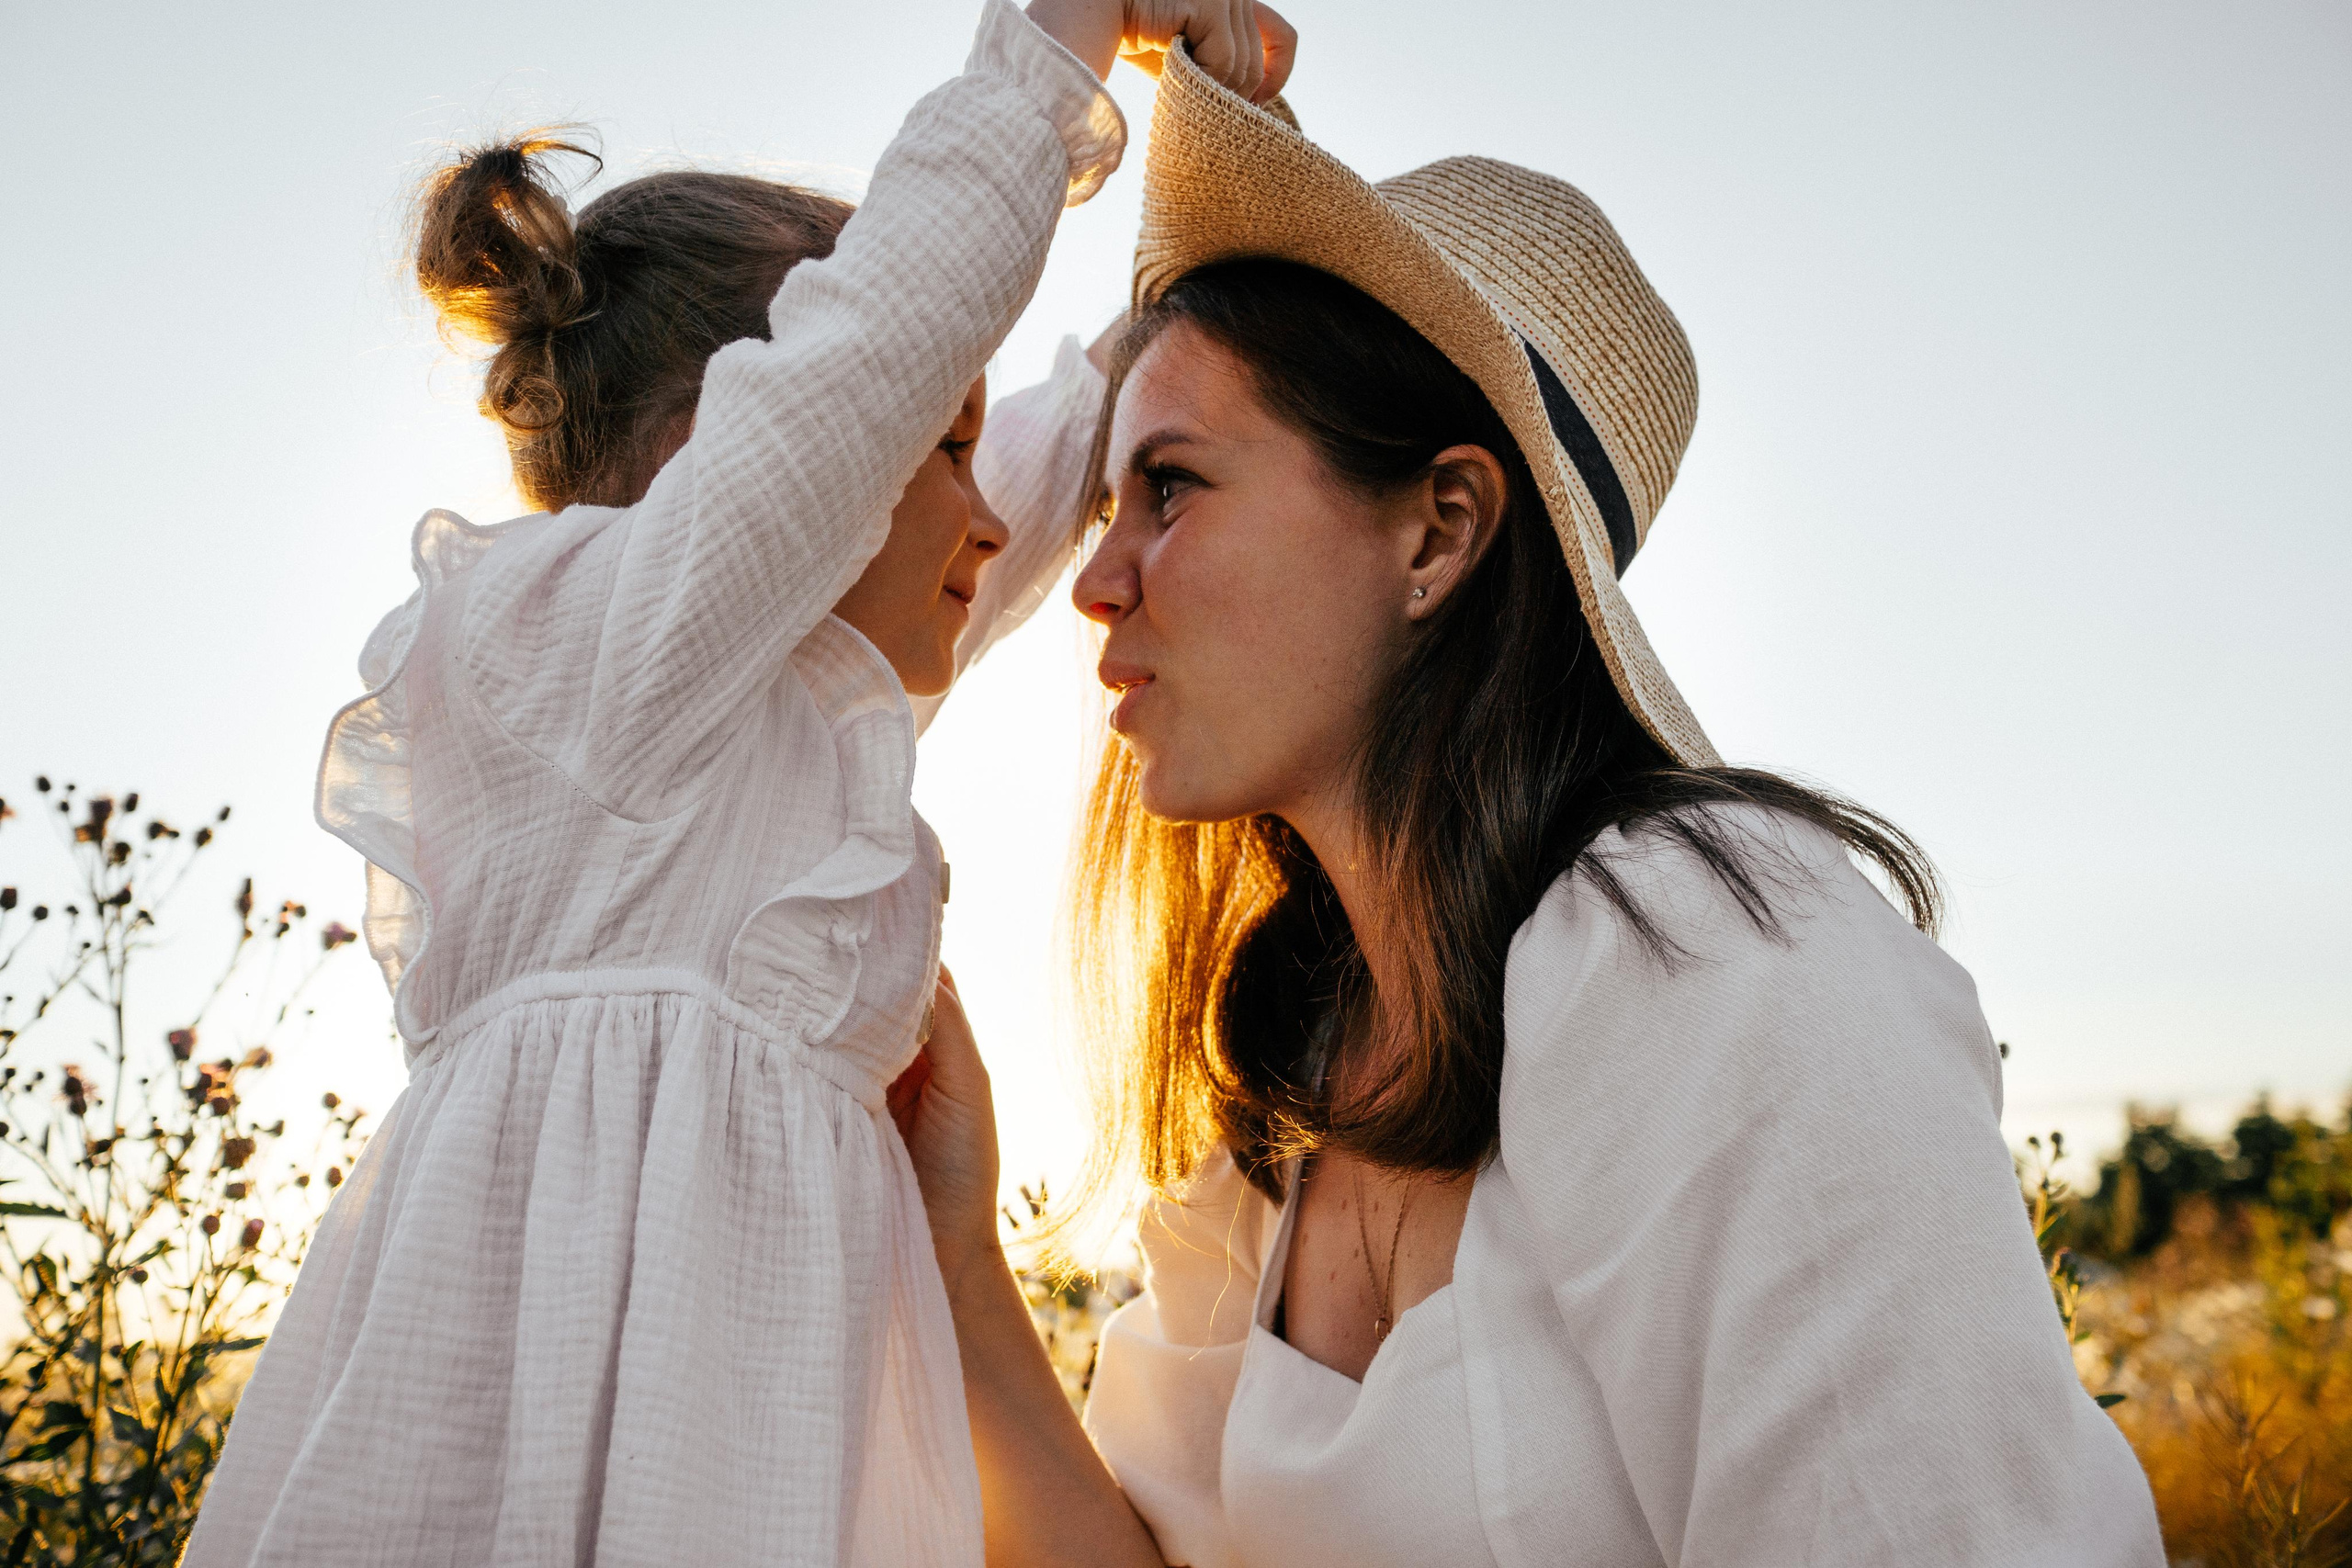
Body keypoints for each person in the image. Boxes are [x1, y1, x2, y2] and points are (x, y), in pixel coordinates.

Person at [893, 40, 2168, 1567]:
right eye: (1106, 507)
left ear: (1437, 530)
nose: (1097, 582)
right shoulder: (1290, 1090)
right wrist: (960, 1256)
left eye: (1170, 488)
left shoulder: (1715, 951)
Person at [181, 5, 1294, 1565]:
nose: (990, 516)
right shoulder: (592, 658)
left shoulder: (772, 717)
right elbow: (879, 349)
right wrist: (1053, 48)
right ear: (747, 456)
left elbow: (1044, 470)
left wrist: (1212, 253)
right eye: (940, 447)